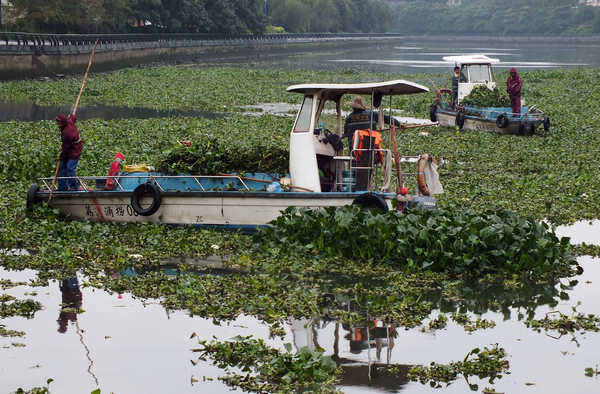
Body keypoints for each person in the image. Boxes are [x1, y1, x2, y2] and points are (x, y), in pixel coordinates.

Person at [56, 113, 83, 191]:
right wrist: (72, 115)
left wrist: (62, 156)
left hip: (75, 149)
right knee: (62, 167)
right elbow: (73, 118)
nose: (57, 124)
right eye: (57, 122)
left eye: (59, 122)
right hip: (69, 147)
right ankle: (62, 187)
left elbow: (66, 147)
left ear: (63, 122)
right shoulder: (69, 121)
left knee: (70, 168)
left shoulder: (67, 132)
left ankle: (74, 187)